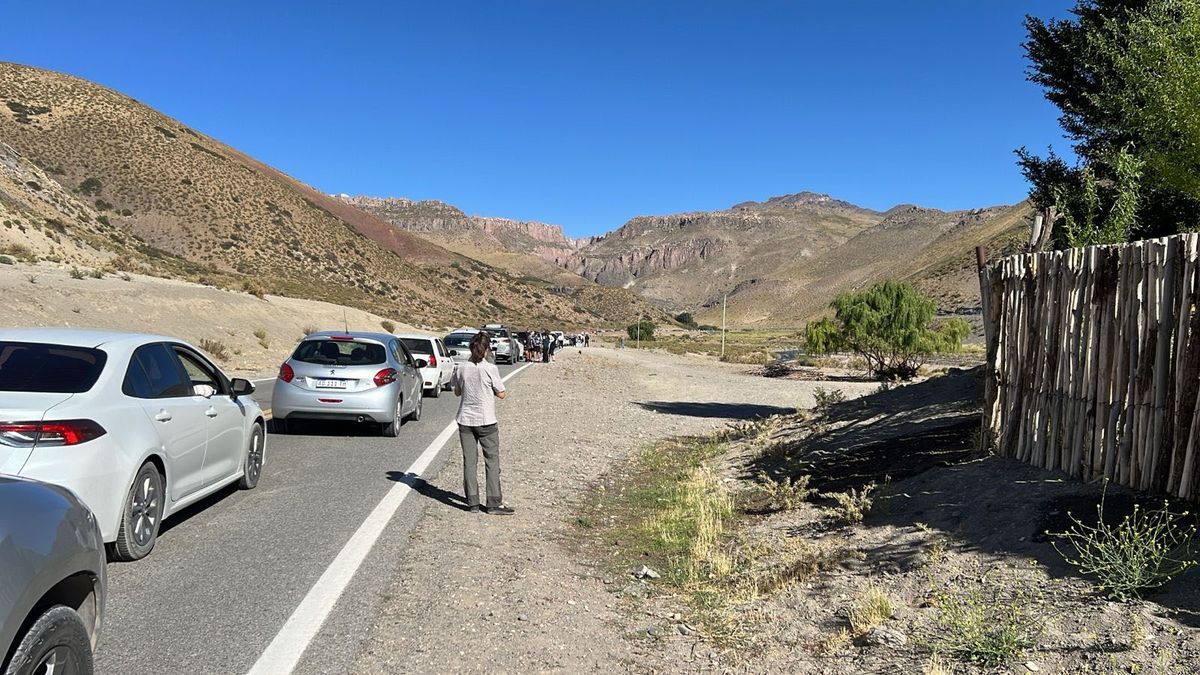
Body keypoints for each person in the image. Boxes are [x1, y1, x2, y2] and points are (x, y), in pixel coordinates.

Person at [451, 331, 514, 515]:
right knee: (492, 461)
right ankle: (493, 502)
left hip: (466, 420)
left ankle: (472, 502)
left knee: (469, 462)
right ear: (487, 349)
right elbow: (502, 393)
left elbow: (457, 391)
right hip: (486, 420)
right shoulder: (490, 369)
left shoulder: (461, 367)